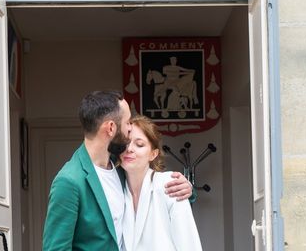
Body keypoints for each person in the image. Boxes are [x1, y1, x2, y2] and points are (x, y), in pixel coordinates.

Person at [42, 90, 193, 251]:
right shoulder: (69, 181)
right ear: (111, 128)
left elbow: (151, 191)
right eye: (127, 122)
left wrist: (186, 188)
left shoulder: (121, 166)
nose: (130, 128)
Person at [121, 115, 203, 251]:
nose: (129, 149)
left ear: (153, 154)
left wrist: (190, 189)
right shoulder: (116, 188)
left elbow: (189, 244)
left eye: (139, 144)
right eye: (125, 143)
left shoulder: (170, 185)